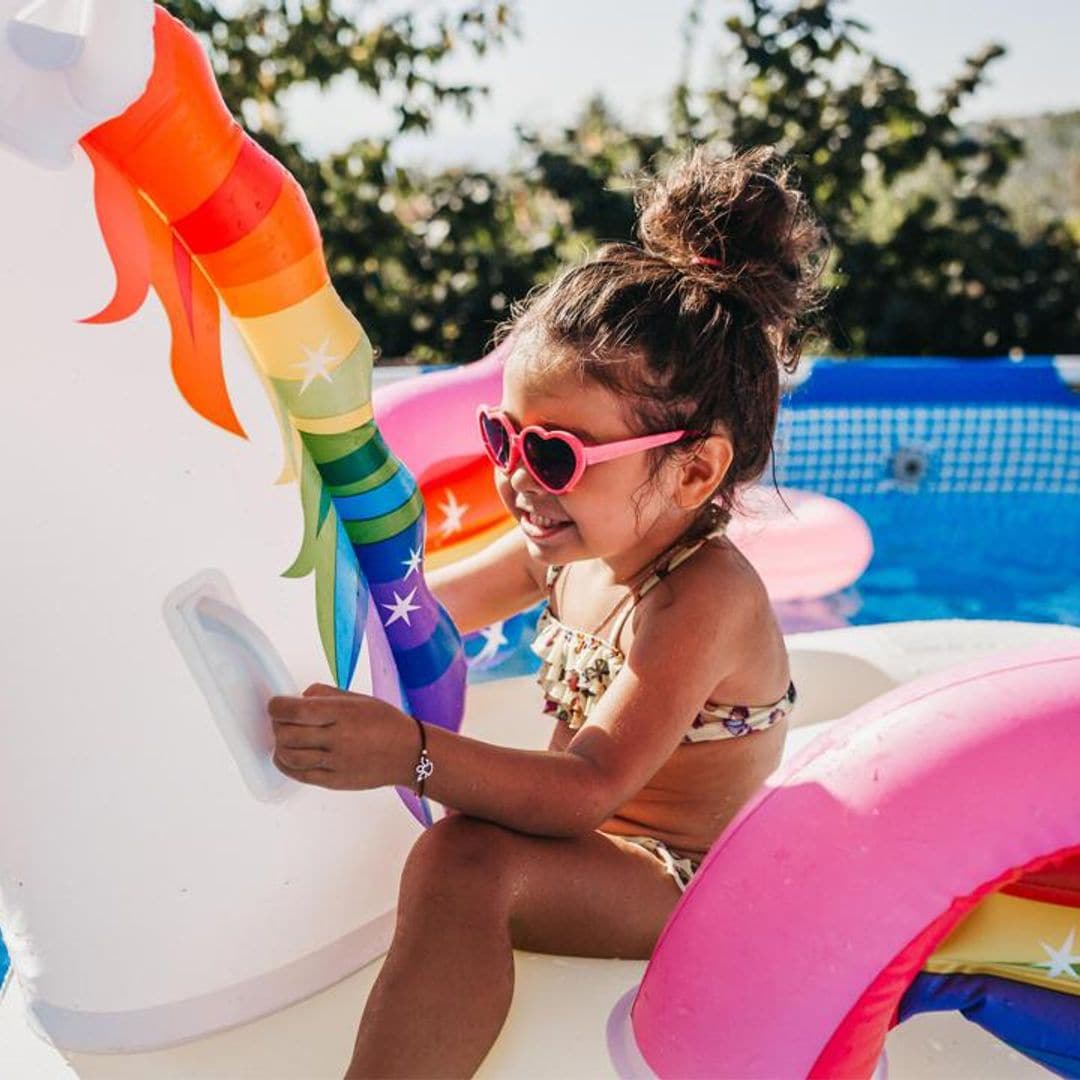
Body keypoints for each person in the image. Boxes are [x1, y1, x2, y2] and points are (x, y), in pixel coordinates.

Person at [268, 145, 827, 1078]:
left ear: (694, 469)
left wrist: (403, 749)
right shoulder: (563, 547)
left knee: (464, 863)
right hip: (592, 841)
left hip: (680, 876)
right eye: (505, 437)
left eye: (559, 456)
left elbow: (585, 790)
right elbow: (413, 606)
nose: (519, 479)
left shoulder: (700, 598)